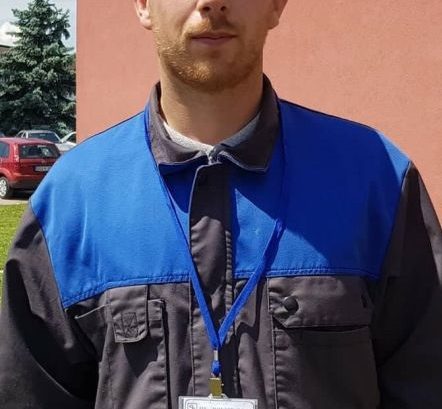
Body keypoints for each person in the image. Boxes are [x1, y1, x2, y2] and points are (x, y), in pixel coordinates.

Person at [1, 0, 441, 407]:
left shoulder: (377, 180)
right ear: (144, 5)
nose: (211, 1)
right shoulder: (71, 199)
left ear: (276, 5)